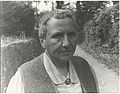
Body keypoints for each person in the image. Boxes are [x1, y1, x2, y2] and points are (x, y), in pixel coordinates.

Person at [6, 9, 99, 93]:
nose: (66, 43)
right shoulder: (24, 78)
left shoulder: (85, 68)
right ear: (43, 40)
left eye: (71, 35)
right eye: (57, 36)